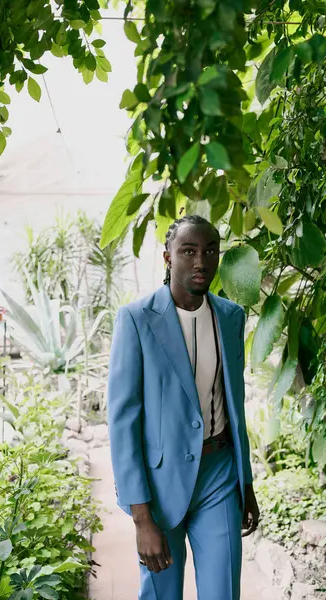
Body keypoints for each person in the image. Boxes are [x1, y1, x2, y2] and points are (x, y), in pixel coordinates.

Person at [107, 215, 260, 600]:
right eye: (188, 251)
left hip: (219, 475)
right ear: (167, 258)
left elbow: (234, 404)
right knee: (161, 594)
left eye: (210, 251)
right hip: (159, 485)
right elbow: (123, 423)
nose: (200, 262)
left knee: (223, 591)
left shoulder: (230, 317)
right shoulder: (137, 319)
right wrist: (141, 517)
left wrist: (246, 484)